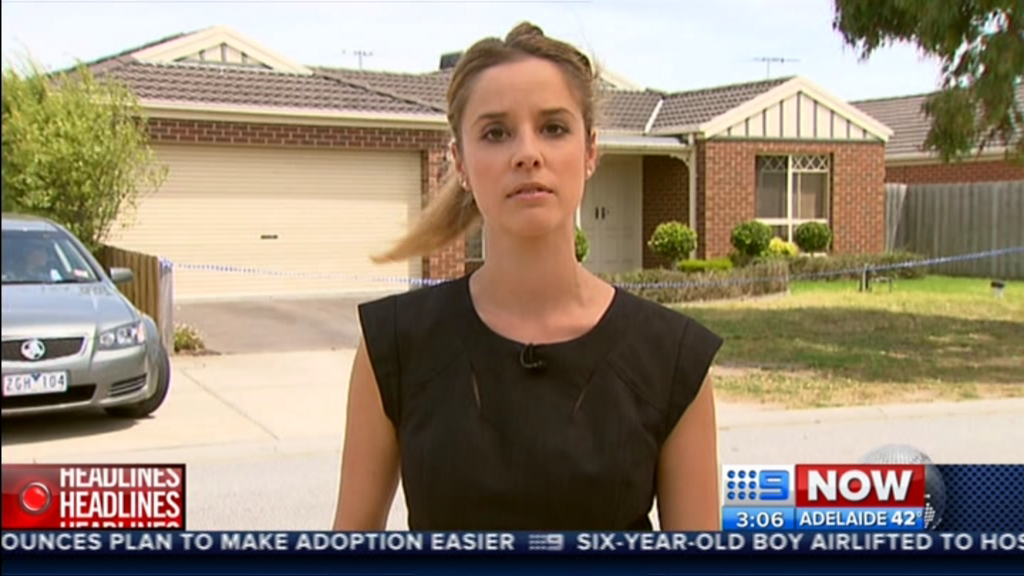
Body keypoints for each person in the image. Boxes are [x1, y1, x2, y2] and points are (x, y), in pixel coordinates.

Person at [332, 21, 724, 532]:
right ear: (460, 161)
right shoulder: (394, 347)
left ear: (590, 152)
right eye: (495, 133)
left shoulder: (673, 359)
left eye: (553, 128)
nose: (527, 153)